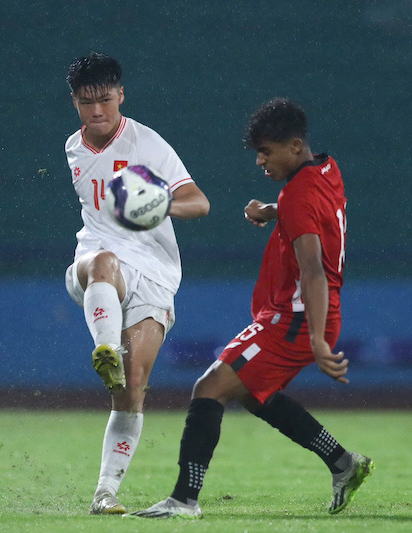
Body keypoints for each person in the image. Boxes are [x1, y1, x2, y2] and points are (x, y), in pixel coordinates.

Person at [129, 98, 373, 519]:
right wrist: (273, 211)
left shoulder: (297, 194)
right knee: (256, 395)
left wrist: (317, 340)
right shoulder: (326, 168)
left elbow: (313, 270)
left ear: (294, 146)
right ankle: (342, 463)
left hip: (295, 320)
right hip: (300, 315)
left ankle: (184, 500)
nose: (260, 160)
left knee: (209, 388)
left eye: (266, 151)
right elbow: (321, 213)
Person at [63, 52, 210, 515]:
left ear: (121, 95)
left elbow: (199, 202)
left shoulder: (146, 143)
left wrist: (160, 204)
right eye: (87, 102)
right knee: (103, 261)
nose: (97, 111)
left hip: (154, 271)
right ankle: (105, 347)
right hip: (96, 263)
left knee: (132, 388)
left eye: (105, 100)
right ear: (74, 102)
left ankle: (104, 494)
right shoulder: (73, 147)